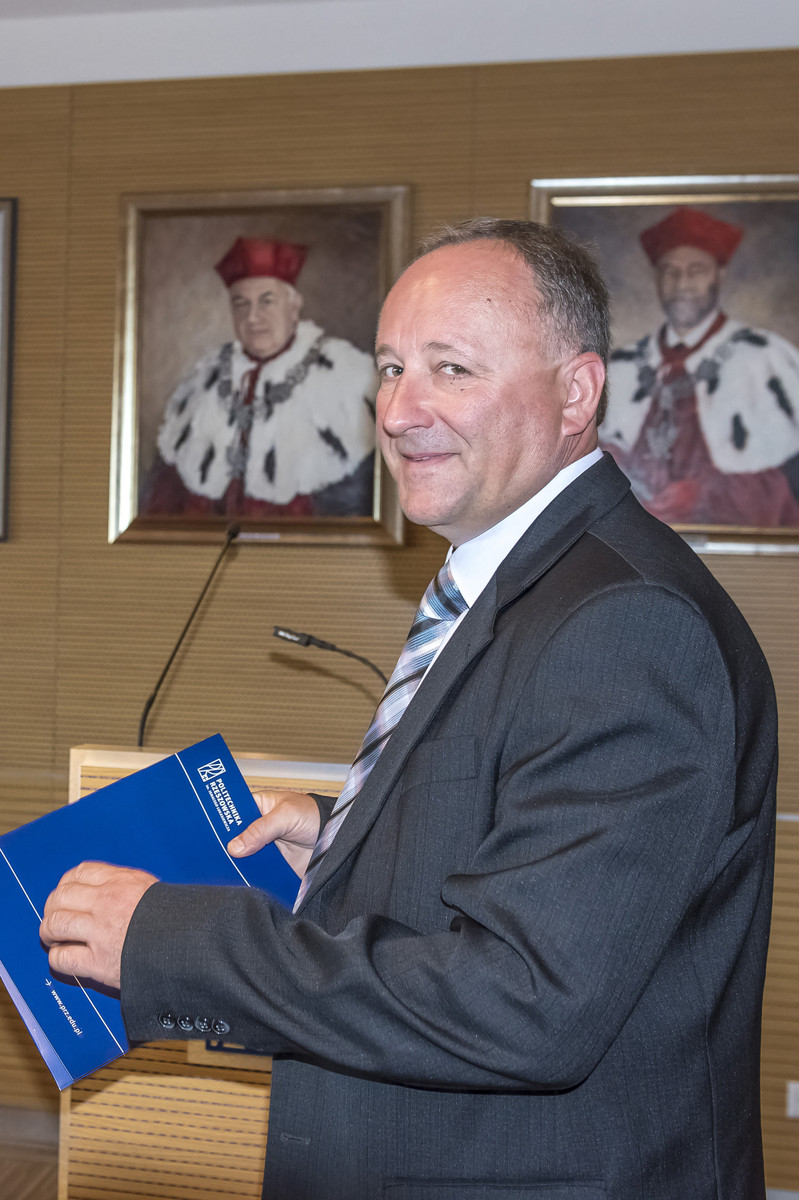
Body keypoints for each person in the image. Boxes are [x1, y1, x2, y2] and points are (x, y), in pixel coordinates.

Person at [42, 219, 777, 1199]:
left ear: (575, 393)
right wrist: (346, 842)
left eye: (451, 369)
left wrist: (172, 939)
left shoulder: (624, 622)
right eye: (389, 368)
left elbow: (527, 1000)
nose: (398, 410)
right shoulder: (526, 577)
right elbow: (529, 835)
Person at [139, 236, 378, 520]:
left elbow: (357, 500)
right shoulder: (204, 382)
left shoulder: (345, 376)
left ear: (294, 306)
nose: (252, 317)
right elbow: (163, 498)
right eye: (241, 304)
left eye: (267, 301)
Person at [601, 205, 799, 528]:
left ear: (719, 276)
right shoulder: (620, 368)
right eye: (670, 271)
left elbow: (787, 483)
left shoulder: (766, 358)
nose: (682, 283)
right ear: (656, 279)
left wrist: (709, 495)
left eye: (696, 271)